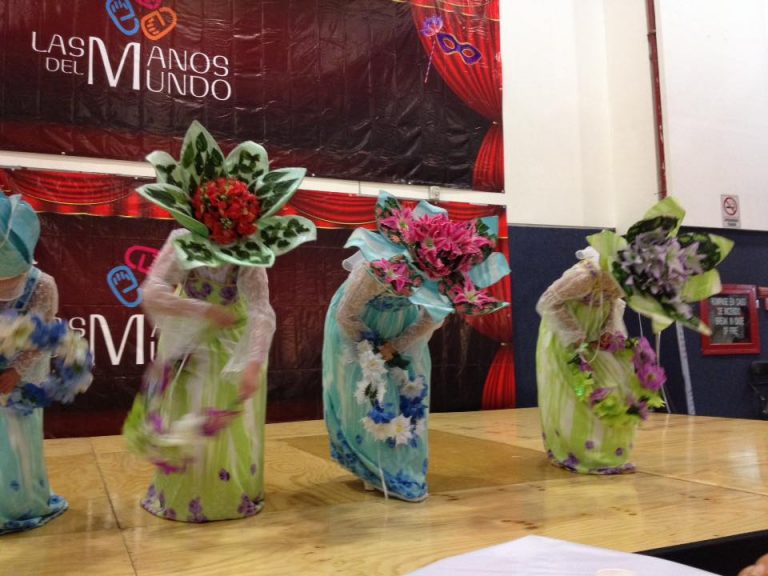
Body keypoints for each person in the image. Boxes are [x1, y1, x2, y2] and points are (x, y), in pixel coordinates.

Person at [123, 122, 316, 522]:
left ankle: (228, 496)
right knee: (189, 413)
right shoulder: (182, 241)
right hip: (190, 343)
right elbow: (152, 291)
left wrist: (253, 364)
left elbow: (261, 310)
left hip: (234, 344)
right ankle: (185, 495)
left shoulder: (250, 251)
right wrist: (201, 310)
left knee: (227, 420)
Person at [323, 192, 510, 501]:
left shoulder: (447, 279)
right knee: (368, 396)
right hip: (358, 326)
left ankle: (401, 469)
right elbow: (347, 315)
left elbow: (431, 319)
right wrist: (373, 347)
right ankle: (372, 467)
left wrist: (397, 346)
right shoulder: (374, 270)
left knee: (408, 392)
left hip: (404, 329)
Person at [535, 248, 640, 474]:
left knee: (615, 388)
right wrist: (574, 334)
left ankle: (609, 453)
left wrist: (609, 330)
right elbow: (548, 302)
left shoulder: (621, 278)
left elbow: (614, 304)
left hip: (595, 338)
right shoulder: (584, 276)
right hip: (564, 338)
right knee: (578, 395)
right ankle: (580, 453)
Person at [0, 193, 67, 534]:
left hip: (22, 380)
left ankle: (22, 503)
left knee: (18, 441)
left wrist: (14, 372)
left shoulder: (42, 285)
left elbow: (43, 338)